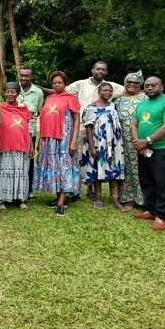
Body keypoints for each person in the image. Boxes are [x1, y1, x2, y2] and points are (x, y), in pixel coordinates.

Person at [43, 61, 125, 202]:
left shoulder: (111, 86)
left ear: (106, 72)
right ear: (92, 69)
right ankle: (77, 189)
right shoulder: (80, 84)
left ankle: (91, 189)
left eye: (103, 69)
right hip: (81, 126)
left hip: (104, 131)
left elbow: (128, 89)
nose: (100, 71)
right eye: (97, 68)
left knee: (98, 157)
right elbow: (62, 89)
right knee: (80, 157)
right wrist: (38, 88)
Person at [131, 76, 165, 231]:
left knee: (162, 183)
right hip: (143, 149)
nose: (150, 88)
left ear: (161, 87)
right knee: (146, 181)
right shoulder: (142, 105)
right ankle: (152, 211)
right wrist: (138, 142)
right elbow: (134, 124)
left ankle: (162, 216)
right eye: (147, 86)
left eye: (154, 85)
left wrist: (147, 140)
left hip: (162, 149)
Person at [33, 71, 81, 217]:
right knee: (55, 168)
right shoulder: (50, 98)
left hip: (64, 139)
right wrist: (41, 139)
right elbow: (45, 117)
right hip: (49, 139)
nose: (57, 84)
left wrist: (73, 140)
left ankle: (61, 201)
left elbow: (76, 119)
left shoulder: (70, 98)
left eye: (59, 82)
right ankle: (58, 196)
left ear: (65, 82)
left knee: (63, 167)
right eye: (54, 83)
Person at [81, 83, 125, 208]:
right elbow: (88, 128)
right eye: (104, 90)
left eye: (110, 91)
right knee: (98, 168)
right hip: (97, 142)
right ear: (99, 91)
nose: (107, 92)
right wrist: (91, 147)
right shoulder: (91, 107)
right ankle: (98, 198)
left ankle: (115, 198)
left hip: (114, 144)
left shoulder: (113, 105)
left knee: (115, 168)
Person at [113, 72, 147, 211]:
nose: (132, 85)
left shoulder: (146, 99)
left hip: (141, 140)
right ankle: (129, 198)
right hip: (123, 143)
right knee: (126, 170)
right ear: (124, 83)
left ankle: (145, 199)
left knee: (143, 170)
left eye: (136, 83)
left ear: (140, 84)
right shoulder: (118, 101)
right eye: (129, 82)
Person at [0, 82, 33, 210]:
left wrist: (31, 146)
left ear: (18, 94)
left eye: (12, 92)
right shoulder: (0, 107)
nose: (9, 94)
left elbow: (29, 128)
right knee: (4, 172)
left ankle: (20, 199)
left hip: (22, 146)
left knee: (21, 172)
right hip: (5, 145)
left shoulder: (24, 109)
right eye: (7, 91)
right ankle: (1, 200)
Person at [17, 66, 44, 199]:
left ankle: (28, 190)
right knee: (16, 160)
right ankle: (16, 188)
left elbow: (38, 111)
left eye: (27, 75)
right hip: (15, 131)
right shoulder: (15, 89)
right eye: (22, 75)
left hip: (30, 131)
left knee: (29, 159)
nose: (23, 78)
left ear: (31, 76)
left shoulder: (38, 92)